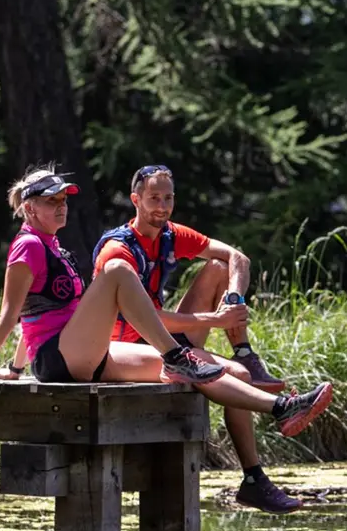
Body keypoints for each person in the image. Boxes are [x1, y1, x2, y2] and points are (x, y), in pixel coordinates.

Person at [0, 165, 334, 460]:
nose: (62, 207)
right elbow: (9, 316)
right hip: (59, 359)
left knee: (200, 368)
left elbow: (35, 316)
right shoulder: (28, 246)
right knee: (117, 271)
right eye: (52, 202)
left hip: (83, 352)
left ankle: (282, 408)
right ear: (30, 208)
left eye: (64, 200)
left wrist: (15, 368)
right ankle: (174, 355)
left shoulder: (52, 245)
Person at [93, 165, 315, 513]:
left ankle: (244, 350)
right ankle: (255, 477)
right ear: (135, 200)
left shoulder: (170, 234)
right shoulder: (118, 250)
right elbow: (145, 316)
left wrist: (233, 300)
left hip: (161, 340)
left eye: (168, 198)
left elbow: (238, 258)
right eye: (154, 198)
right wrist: (215, 320)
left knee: (219, 268)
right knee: (238, 376)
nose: (162, 207)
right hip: (125, 349)